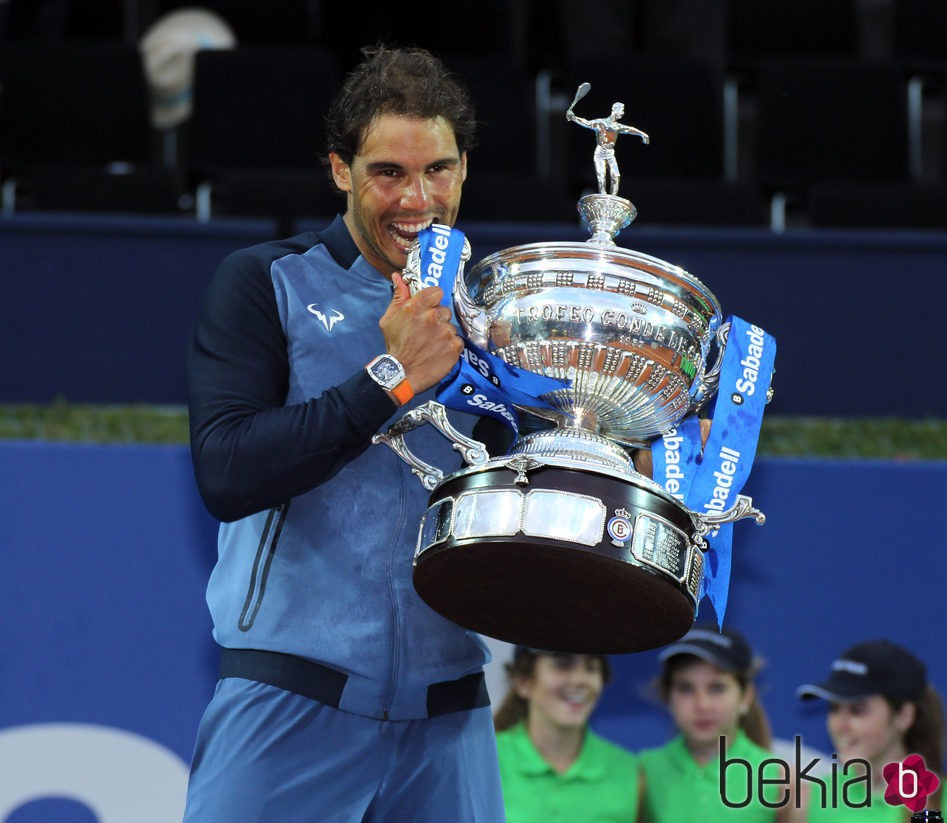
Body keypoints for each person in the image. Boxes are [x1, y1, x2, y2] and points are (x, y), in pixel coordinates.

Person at [180, 45, 507, 823]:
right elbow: (227, 470)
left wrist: (635, 446)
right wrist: (391, 375)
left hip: (449, 723)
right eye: (388, 171)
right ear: (340, 171)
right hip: (288, 704)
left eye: (438, 170)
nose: (417, 198)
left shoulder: (498, 316)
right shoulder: (267, 283)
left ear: (463, 169)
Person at [796, 639, 947, 823]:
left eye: (857, 710)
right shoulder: (810, 800)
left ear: (904, 716)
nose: (840, 725)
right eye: (834, 709)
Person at [639, 625, 796, 822]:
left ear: (746, 696)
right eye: (686, 688)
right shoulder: (643, 772)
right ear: (668, 696)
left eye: (717, 688)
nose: (702, 705)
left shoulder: (781, 779)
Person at [493, 646, 645, 823]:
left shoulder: (630, 772)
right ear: (523, 682)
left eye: (591, 667)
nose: (580, 679)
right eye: (563, 665)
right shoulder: (484, 765)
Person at [566, 90, 650, 196]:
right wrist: (574, 118)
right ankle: (603, 196)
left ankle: (613, 198)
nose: (623, 113)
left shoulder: (617, 127)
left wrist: (642, 134)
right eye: (622, 110)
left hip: (610, 153)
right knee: (601, 176)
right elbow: (587, 123)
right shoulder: (601, 123)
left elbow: (630, 129)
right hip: (600, 152)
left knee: (616, 175)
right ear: (615, 110)